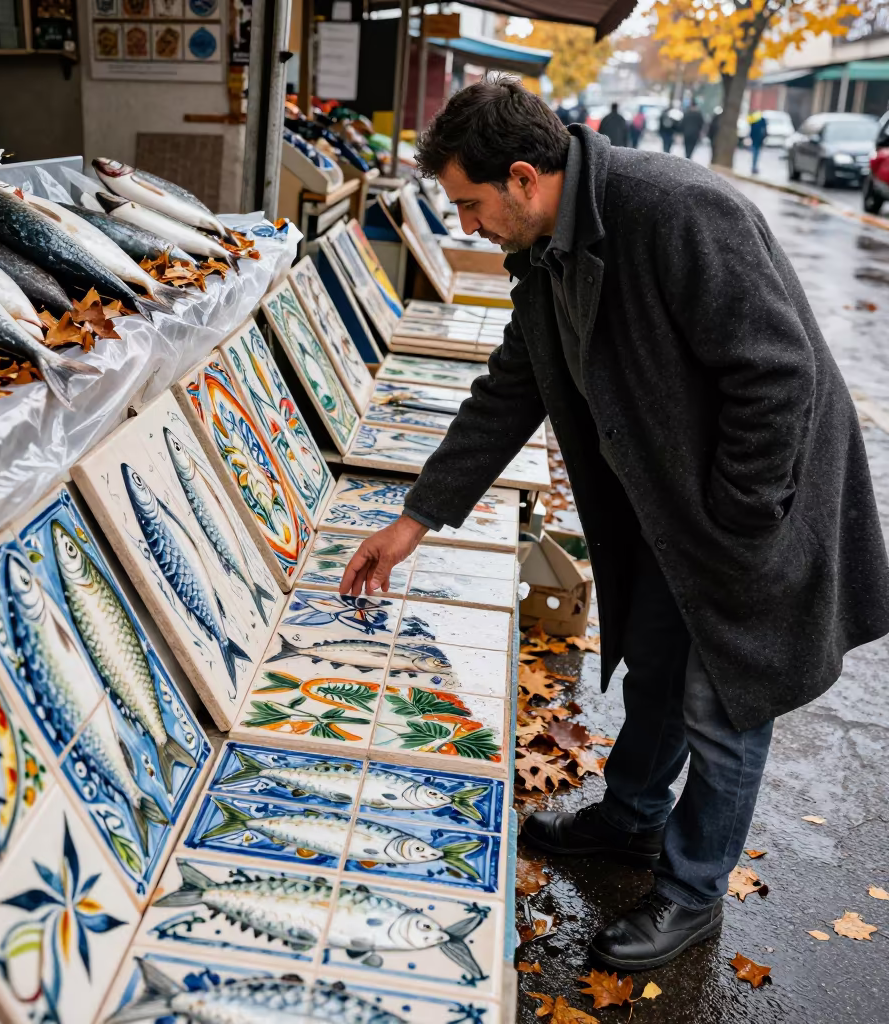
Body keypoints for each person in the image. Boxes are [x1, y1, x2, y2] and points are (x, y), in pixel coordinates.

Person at [339, 76, 889, 971]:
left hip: (755, 498)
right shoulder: (548, 245)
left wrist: (736, 519)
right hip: (682, 498)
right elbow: (512, 388)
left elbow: (778, 373)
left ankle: (691, 893)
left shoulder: (676, 210)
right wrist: (415, 521)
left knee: (724, 703)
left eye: (471, 204)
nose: (466, 226)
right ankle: (632, 819)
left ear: (523, 177)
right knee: (659, 657)